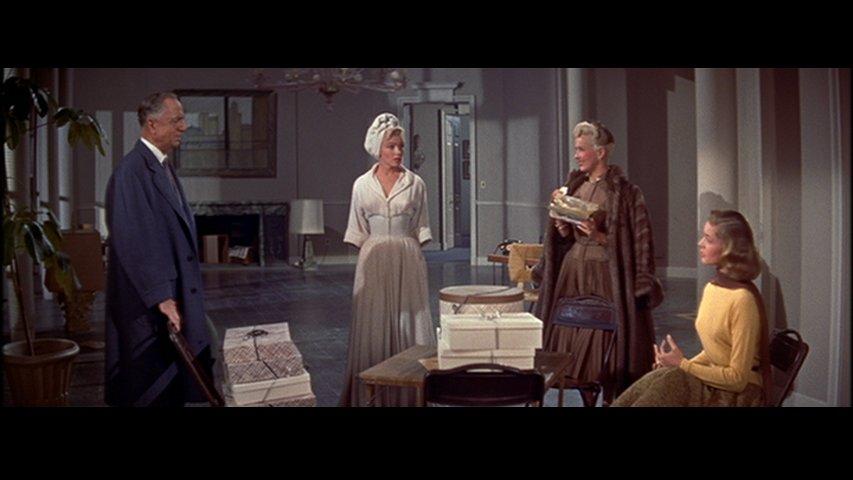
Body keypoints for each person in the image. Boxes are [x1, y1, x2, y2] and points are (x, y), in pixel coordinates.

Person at [533, 120, 662, 404]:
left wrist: (599, 235)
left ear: (600, 152)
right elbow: (566, 238)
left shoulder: (626, 193)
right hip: (573, 273)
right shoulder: (573, 188)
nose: (576, 155)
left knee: (604, 338)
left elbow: (637, 244)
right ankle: (586, 397)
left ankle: (608, 397)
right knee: (571, 333)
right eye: (576, 149)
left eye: (582, 149)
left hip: (606, 274)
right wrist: (561, 225)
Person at [104, 92, 213, 407]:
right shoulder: (130, 172)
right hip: (151, 300)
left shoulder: (159, 165)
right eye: (176, 120)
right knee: (150, 383)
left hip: (171, 291)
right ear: (152, 125)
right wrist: (161, 297)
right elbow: (131, 239)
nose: (184, 127)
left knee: (174, 376)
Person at [612, 210, 771, 407]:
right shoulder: (713, 287)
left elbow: (737, 379)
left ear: (729, 248)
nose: (700, 243)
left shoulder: (742, 300)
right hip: (715, 379)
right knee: (659, 378)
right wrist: (675, 364)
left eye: (709, 240)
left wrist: (683, 365)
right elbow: (715, 352)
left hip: (739, 393)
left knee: (670, 383)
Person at [339, 113, 435, 407]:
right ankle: (372, 397)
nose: (397, 152)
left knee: (410, 321)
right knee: (374, 324)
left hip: (407, 257)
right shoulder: (361, 185)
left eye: (401, 146)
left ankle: (409, 396)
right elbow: (358, 229)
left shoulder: (415, 183)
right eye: (391, 146)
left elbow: (421, 225)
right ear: (378, 148)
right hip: (374, 258)